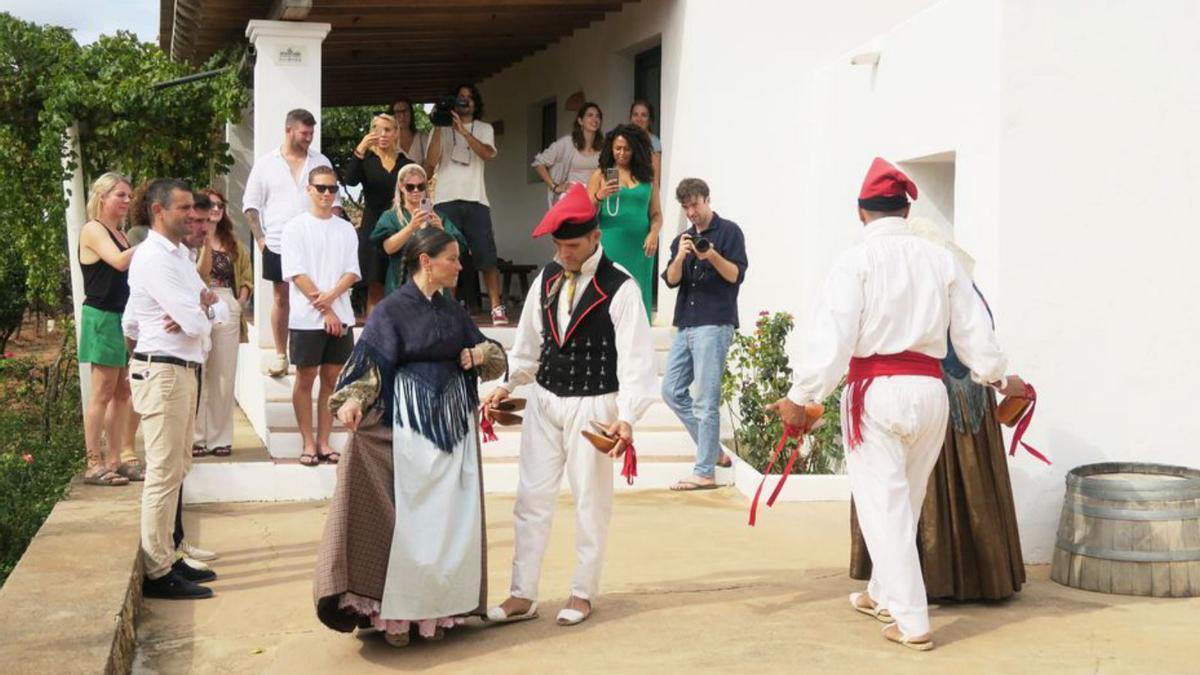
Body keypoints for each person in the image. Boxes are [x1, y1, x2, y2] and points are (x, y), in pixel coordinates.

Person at [767, 158, 1028, 651]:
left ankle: (911, 620)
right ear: (906, 208)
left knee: (882, 505)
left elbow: (832, 340)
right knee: (904, 500)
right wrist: (1000, 377)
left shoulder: (854, 262)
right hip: (931, 395)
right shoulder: (940, 260)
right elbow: (974, 333)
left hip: (876, 394)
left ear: (861, 212)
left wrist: (801, 397)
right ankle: (881, 593)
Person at [314, 227, 507, 647]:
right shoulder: (391, 311)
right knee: (412, 525)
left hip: (454, 431)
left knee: (448, 524)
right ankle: (397, 619)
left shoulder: (454, 310)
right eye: (452, 259)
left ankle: (437, 615)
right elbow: (368, 366)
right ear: (426, 261)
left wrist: (479, 355)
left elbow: (493, 356)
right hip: (409, 430)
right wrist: (351, 402)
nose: (460, 266)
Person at [482, 183, 657, 627]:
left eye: (573, 245)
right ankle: (522, 593)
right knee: (531, 499)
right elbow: (527, 348)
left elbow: (638, 363)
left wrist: (627, 417)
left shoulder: (622, 288)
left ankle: (582, 591)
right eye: (559, 246)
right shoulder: (546, 277)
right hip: (545, 400)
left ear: (596, 237)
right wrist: (507, 385)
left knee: (589, 503)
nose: (565, 253)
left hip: (595, 406)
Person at [848, 216, 1025, 601]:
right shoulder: (960, 282)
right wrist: (1000, 378)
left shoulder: (897, 280)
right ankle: (899, 588)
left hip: (919, 396)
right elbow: (980, 341)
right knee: (905, 497)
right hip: (953, 397)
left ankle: (906, 596)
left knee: (893, 498)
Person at [123, 178, 229, 600]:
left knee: (178, 467)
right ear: (158, 211)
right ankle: (157, 570)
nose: (193, 215)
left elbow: (215, 307)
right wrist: (196, 312)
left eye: (193, 208)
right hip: (164, 371)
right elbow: (197, 319)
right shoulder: (154, 258)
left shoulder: (181, 257)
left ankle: (170, 552)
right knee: (164, 473)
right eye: (184, 208)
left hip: (181, 368)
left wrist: (200, 310)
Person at [661, 178, 748, 490]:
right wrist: (682, 256)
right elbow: (671, 281)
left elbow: (735, 275)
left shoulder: (729, 232)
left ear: (707, 199)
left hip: (715, 323)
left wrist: (710, 255)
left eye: (695, 205)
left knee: (705, 400)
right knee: (671, 390)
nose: (691, 212)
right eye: (686, 207)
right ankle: (714, 453)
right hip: (686, 323)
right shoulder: (681, 239)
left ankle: (704, 472)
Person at [244, 108, 341, 377]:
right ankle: (280, 354)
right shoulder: (265, 163)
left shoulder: (320, 161)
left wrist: (331, 235)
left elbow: (335, 202)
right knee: (281, 297)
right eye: (304, 133)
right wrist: (261, 240)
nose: (309, 138)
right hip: (277, 242)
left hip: (316, 242)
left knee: (316, 293)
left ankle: (312, 356)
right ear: (289, 130)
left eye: (312, 133)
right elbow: (250, 206)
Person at [280, 166, 361, 467]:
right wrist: (326, 306)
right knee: (306, 377)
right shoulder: (295, 227)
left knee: (331, 378)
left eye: (332, 188)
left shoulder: (345, 228)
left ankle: (325, 441)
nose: (327, 194)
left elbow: (352, 271)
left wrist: (332, 299)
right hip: (307, 317)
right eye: (321, 188)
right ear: (309, 189)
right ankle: (308, 442)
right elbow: (296, 273)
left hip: (341, 315)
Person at [425, 83, 507, 324]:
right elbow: (430, 162)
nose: (464, 102)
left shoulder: (484, 128)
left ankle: (496, 306)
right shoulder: (439, 127)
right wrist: (441, 125)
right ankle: (448, 306)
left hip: (476, 198)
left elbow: (486, 153)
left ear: (476, 103)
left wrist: (464, 132)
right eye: (459, 98)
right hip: (445, 199)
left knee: (486, 254)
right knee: (447, 254)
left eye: (469, 98)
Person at [78, 172, 137, 486]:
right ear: (103, 197)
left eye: (129, 196)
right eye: (121, 195)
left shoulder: (122, 233)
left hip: (121, 316)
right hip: (101, 316)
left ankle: (114, 460)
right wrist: (152, 242)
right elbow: (118, 262)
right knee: (102, 391)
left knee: (122, 391)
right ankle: (93, 463)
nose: (127, 201)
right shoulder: (93, 229)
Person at [192, 187, 253, 458]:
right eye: (210, 204)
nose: (215, 209)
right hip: (197, 303)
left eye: (220, 205)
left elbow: (247, 277)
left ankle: (220, 438)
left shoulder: (234, 244)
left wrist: (239, 302)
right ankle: (196, 437)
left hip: (226, 303)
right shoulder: (189, 241)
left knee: (224, 375)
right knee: (197, 372)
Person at [587, 124, 662, 317]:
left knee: (638, 293)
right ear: (610, 149)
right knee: (610, 291)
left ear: (635, 149)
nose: (622, 153)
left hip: (641, 247)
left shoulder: (647, 177)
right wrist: (599, 196)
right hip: (611, 243)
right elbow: (586, 213)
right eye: (617, 148)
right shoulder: (601, 174)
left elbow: (656, 214)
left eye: (627, 148)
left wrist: (654, 233)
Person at [343, 113, 412, 315]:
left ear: (396, 134)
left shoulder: (404, 162)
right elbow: (350, 180)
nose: (382, 134)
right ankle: (373, 337)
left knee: (399, 281)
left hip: (398, 222)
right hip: (373, 224)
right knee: (375, 283)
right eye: (377, 129)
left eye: (387, 129)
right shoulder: (367, 160)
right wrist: (361, 148)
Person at [370, 164, 468, 295]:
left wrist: (441, 229)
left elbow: (458, 248)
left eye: (420, 187)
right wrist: (411, 227)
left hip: (434, 285)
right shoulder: (391, 216)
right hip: (401, 283)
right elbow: (388, 248)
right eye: (410, 187)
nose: (416, 191)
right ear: (401, 187)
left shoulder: (438, 216)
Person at [532, 101, 603, 206]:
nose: (595, 119)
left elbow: (611, 170)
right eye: (590, 115)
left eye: (598, 116)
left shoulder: (603, 146)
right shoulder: (568, 143)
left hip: (595, 200)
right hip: (572, 199)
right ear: (580, 121)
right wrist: (555, 187)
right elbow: (538, 163)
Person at [629, 100, 662, 185]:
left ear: (649, 119)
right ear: (630, 118)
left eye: (644, 115)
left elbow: (655, 177)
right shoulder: (622, 139)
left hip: (643, 192)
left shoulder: (654, 141)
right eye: (635, 114)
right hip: (623, 191)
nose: (639, 119)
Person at [391, 97, 428, 165]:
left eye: (405, 111)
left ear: (411, 114)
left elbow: (430, 165)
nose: (402, 115)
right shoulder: (388, 141)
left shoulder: (423, 139)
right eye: (397, 112)